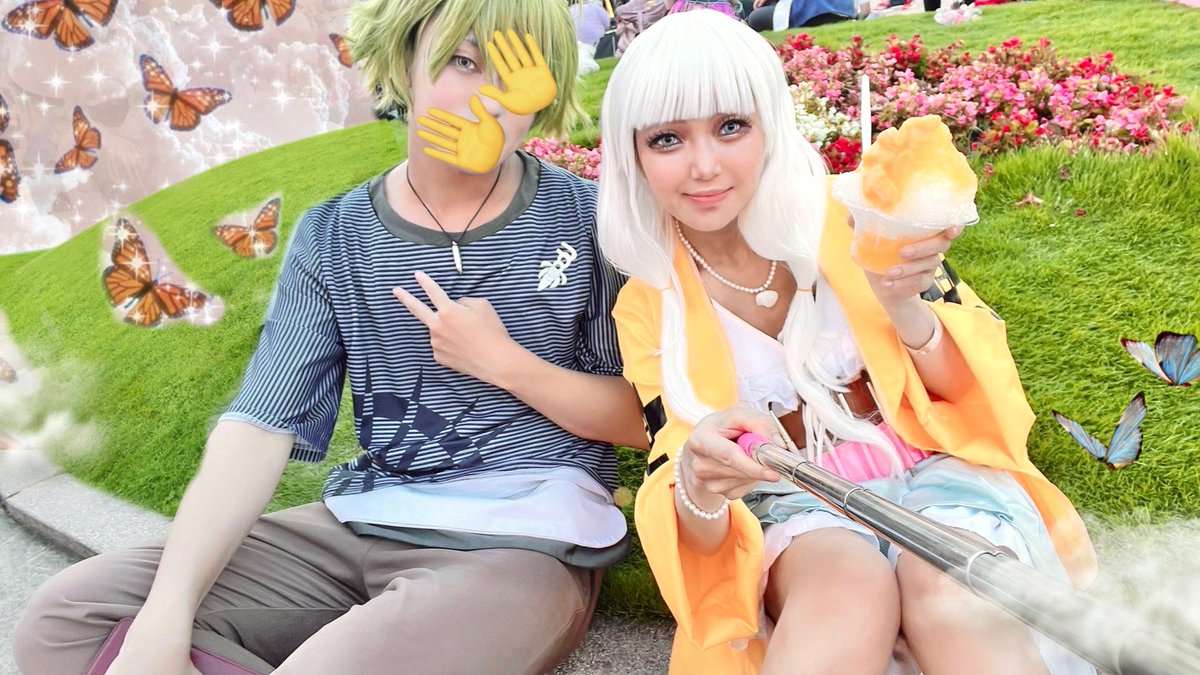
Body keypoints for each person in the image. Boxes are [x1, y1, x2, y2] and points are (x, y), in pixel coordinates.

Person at [14, 1, 647, 673]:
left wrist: (507, 364)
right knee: (66, 620)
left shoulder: (587, 220)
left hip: (520, 539)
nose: (485, 101)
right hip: (362, 520)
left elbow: (646, 417)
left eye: (516, 78)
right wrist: (167, 609)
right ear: (406, 58)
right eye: (463, 62)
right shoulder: (335, 234)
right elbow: (260, 424)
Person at [596, 10, 1097, 673]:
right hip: (794, 507)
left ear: (770, 124)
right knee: (846, 591)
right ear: (632, 155)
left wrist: (903, 303)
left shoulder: (861, 216)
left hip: (936, 472)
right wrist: (699, 480)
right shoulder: (647, 305)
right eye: (667, 139)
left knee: (947, 584)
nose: (705, 166)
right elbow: (694, 516)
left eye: (731, 126)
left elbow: (975, 398)